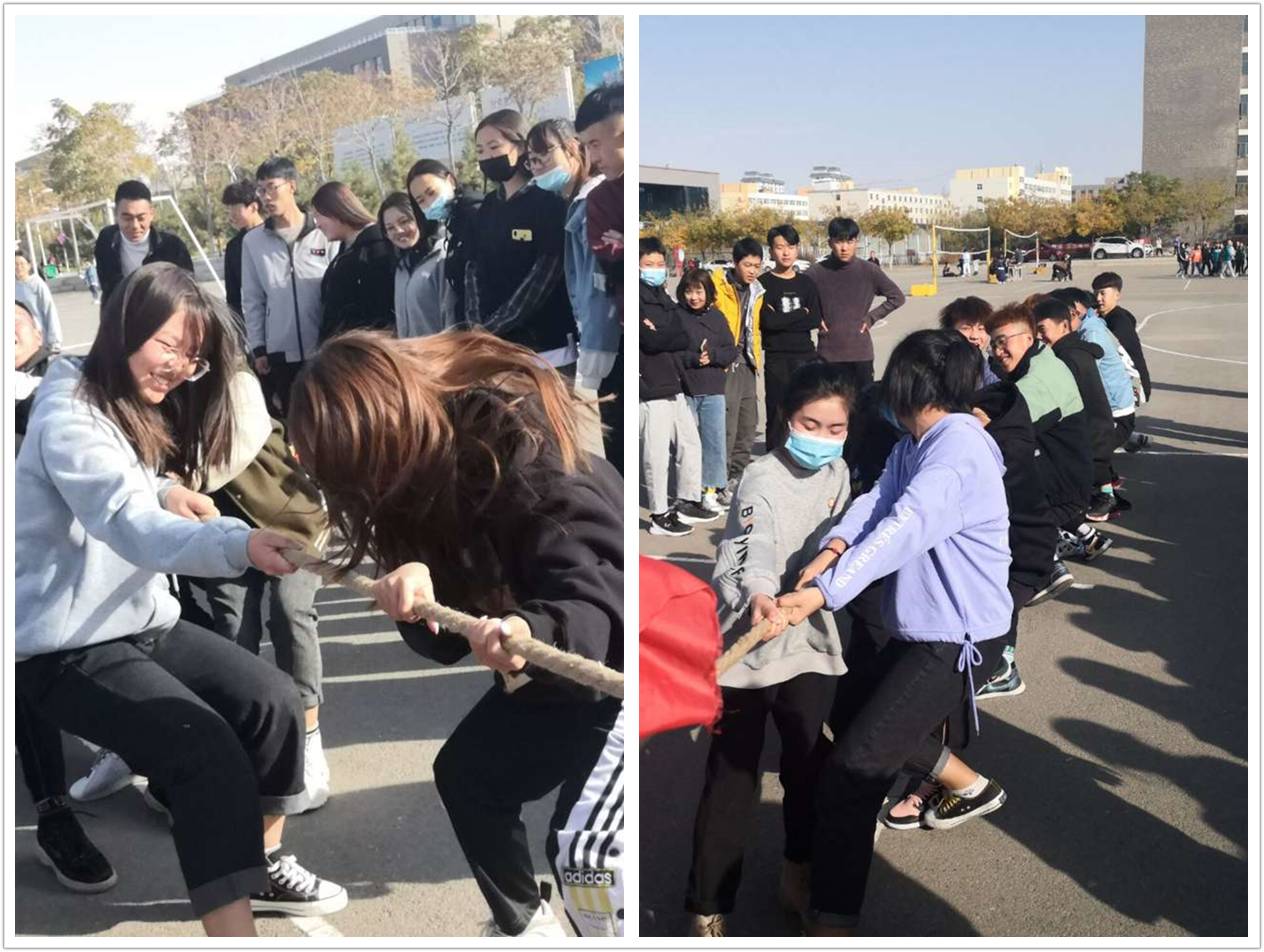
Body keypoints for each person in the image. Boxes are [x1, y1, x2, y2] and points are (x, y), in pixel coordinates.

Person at [15, 262, 347, 935]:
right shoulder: (70, 414)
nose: (177, 368)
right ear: (125, 325)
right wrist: (239, 544)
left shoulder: (118, 397)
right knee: (204, 751)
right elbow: (128, 523)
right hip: (65, 646)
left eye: (192, 358)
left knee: (274, 701)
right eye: (169, 345)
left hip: (137, 620)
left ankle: (263, 862)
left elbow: (134, 488)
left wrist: (166, 489)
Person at [287, 329, 625, 937]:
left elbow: (599, 593)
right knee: (469, 776)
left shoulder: (520, 449)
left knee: (585, 854)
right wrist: (419, 597)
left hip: (620, 663)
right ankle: (526, 925)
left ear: (381, 432)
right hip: (542, 665)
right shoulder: (402, 480)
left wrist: (526, 628)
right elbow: (446, 644)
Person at [777, 329, 1013, 937]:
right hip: (921, 628)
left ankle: (832, 919)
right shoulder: (917, 443)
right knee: (855, 713)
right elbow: (878, 499)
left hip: (956, 638)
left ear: (908, 385)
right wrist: (833, 548)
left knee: (852, 771)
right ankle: (969, 785)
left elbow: (903, 527)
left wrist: (824, 592)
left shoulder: (957, 450)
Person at [685, 363, 854, 938]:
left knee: (807, 766)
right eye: (811, 424)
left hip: (808, 641)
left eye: (835, 428)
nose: (823, 438)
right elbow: (752, 546)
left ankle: (797, 876)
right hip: (750, 640)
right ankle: (708, 903)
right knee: (732, 776)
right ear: (785, 418)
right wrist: (759, 594)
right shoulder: (759, 477)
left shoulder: (838, 474)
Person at [985, 301, 1091, 604]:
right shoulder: (1041, 360)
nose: (998, 351)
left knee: (989, 503)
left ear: (1029, 338)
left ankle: (1040, 573)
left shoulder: (1038, 381)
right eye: (994, 344)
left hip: (1061, 489)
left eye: (1003, 342)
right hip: (1066, 474)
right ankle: (1050, 559)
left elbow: (1004, 429)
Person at [526, 116, 615, 459]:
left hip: (606, 345)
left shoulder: (591, 202)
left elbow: (596, 287)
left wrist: (595, 352)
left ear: (573, 148)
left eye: (545, 154)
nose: (538, 166)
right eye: (532, 160)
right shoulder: (574, 202)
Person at [465, 109, 576, 372]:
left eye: (494, 147)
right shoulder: (487, 207)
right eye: (480, 151)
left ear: (521, 146)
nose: (487, 156)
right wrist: (476, 325)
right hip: (495, 349)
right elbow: (472, 268)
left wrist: (494, 326)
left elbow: (544, 274)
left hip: (546, 349)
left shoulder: (548, 201)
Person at [241, 156, 339, 419]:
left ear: (292, 186)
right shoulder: (253, 242)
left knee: (331, 420)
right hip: (281, 352)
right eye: (261, 190)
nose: (266, 197)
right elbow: (252, 299)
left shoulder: (323, 231)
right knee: (295, 423)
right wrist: (259, 347)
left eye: (272, 187)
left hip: (324, 349)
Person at [640, 238, 714, 536]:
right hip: (649, 383)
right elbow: (648, 341)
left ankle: (687, 500)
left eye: (660, 263)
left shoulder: (662, 295)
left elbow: (681, 335)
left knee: (689, 442)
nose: (656, 269)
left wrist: (662, 334)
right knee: (656, 452)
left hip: (673, 379)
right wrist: (663, 335)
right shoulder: (634, 296)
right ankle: (659, 514)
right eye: (648, 264)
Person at [1032, 296, 1119, 536]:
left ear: (1064, 325)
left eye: (1042, 329)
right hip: (1097, 435)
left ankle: (1073, 536)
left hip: (1089, 442)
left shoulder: (1066, 359)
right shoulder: (1075, 351)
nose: (1039, 336)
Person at [577, 83, 626, 471]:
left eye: (595, 144)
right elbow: (608, 256)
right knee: (619, 445)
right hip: (619, 337)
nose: (591, 157)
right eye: (586, 147)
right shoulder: (600, 199)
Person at [807, 217, 906, 391]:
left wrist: (870, 318)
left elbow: (897, 297)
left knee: (863, 404)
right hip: (828, 354)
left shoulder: (869, 270)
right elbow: (799, 297)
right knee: (831, 404)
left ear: (856, 242)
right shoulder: (816, 272)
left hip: (861, 354)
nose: (844, 248)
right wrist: (815, 317)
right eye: (839, 241)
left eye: (849, 241)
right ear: (830, 243)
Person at [676, 267, 738, 514]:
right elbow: (671, 352)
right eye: (689, 292)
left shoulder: (717, 317)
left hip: (713, 389)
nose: (694, 297)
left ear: (708, 292)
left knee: (714, 443)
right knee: (687, 445)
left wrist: (712, 355)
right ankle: (689, 493)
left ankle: (711, 490)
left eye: (699, 291)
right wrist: (692, 358)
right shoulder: (677, 316)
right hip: (686, 389)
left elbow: (731, 350)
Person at [710, 238, 765, 496]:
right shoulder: (716, 286)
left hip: (748, 363)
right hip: (725, 364)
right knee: (727, 427)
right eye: (747, 265)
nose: (752, 271)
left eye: (757, 265)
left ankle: (737, 476)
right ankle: (719, 481)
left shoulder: (758, 291)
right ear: (735, 263)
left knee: (748, 424)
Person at [760, 224, 823, 450]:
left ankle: (804, 454)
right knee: (777, 412)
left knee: (806, 409)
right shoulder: (763, 284)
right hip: (777, 358)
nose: (786, 252)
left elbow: (814, 319)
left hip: (805, 356)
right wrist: (799, 313)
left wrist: (783, 319)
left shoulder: (806, 283)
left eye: (791, 246)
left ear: (797, 249)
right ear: (771, 251)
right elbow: (768, 322)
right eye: (779, 247)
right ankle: (774, 456)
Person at [312, 181, 396, 343]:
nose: (317, 225)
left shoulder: (377, 249)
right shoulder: (345, 251)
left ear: (335, 211)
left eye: (318, 215)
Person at [405, 158, 483, 327]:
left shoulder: (475, 214)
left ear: (451, 182)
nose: (430, 203)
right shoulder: (453, 224)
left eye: (431, 193)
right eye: (421, 200)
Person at [93, 180, 194, 304]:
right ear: (116, 215)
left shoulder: (172, 247)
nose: (135, 226)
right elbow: (108, 288)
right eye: (127, 218)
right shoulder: (106, 241)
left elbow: (189, 293)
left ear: (151, 214)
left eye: (141, 218)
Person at [220, 180, 266, 322]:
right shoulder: (233, 247)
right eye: (229, 210)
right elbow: (233, 296)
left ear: (253, 207)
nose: (231, 216)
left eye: (235, 210)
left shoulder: (274, 237)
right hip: (253, 322)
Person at [15, 250, 63, 353]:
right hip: (21, 341)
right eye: (15, 264)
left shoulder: (37, 284)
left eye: (22, 264)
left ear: (29, 265)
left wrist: (55, 341)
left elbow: (49, 311)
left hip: (40, 339)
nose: (18, 267)